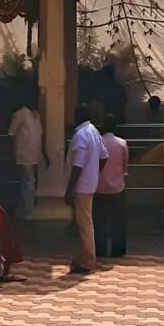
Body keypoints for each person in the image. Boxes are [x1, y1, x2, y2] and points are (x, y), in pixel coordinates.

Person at [66, 106, 104, 274]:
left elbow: (78, 165)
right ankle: (85, 257)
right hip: (89, 183)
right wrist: (94, 172)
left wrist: (70, 187)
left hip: (81, 185)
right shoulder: (93, 131)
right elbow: (104, 156)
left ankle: (88, 260)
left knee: (84, 224)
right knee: (85, 222)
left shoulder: (81, 134)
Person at [96, 114, 129, 259]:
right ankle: (118, 249)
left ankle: (100, 249)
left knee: (99, 220)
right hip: (117, 187)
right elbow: (124, 166)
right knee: (118, 221)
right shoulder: (122, 143)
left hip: (99, 187)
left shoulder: (98, 142)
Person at [6, 98, 46, 220]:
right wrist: (13, 154)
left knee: (28, 183)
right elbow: (11, 134)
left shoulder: (36, 115)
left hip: (35, 155)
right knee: (29, 183)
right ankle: (27, 213)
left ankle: (23, 211)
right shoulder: (20, 114)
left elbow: (39, 135)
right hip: (23, 155)